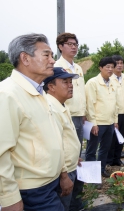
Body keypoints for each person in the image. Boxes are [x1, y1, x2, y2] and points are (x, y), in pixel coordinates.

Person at [0, 33, 69, 211]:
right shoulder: (7, 94)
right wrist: (9, 199)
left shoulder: (39, 91)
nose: (53, 61)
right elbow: (1, 153)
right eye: (46, 55)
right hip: (33, 190)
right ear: (25, 58)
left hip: (49, 183)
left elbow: (52, 136)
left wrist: (62, 173)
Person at [55, 32, 86, 210]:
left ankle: (76, 200)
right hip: (65, 114)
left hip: (78, 115)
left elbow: (81, 93)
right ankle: (66, 200)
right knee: (67, 157)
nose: (74, 47)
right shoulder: (57, 67)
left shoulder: (78, 68)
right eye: (69, 44)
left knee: (77, 157)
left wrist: (85, 112)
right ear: (60, 46)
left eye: (75, 44)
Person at [43, 67, 81, 211]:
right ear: (51, 86)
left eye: (71, 81)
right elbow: (53, 145)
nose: (70, 85)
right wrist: (64, 176)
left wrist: (75, 156)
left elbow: (65, 138)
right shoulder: (51, 108)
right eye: (65, 82)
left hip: (69, 166)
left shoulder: (61, 104)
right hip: (61, 172)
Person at [85, 57, 118, 181]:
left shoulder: (113, 83)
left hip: (109, 123)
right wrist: (93, 123)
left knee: (105, 149)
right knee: (91, 151)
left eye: (112, 67)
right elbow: (90, 104)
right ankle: (91, 177)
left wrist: (115, 121)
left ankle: (101, 170)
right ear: (100, 68)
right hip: (97, 123)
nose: (110, 69)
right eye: (107, 67)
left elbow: (115, 103)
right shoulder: (93, 83)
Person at [107, 55, 124, 166]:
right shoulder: (109, 79)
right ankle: (109, 160)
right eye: (117, 63)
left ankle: (117, 158)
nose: (119, 65)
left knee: (121, 136)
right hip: (114, 113)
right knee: (112, 138)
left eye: (121, 63)